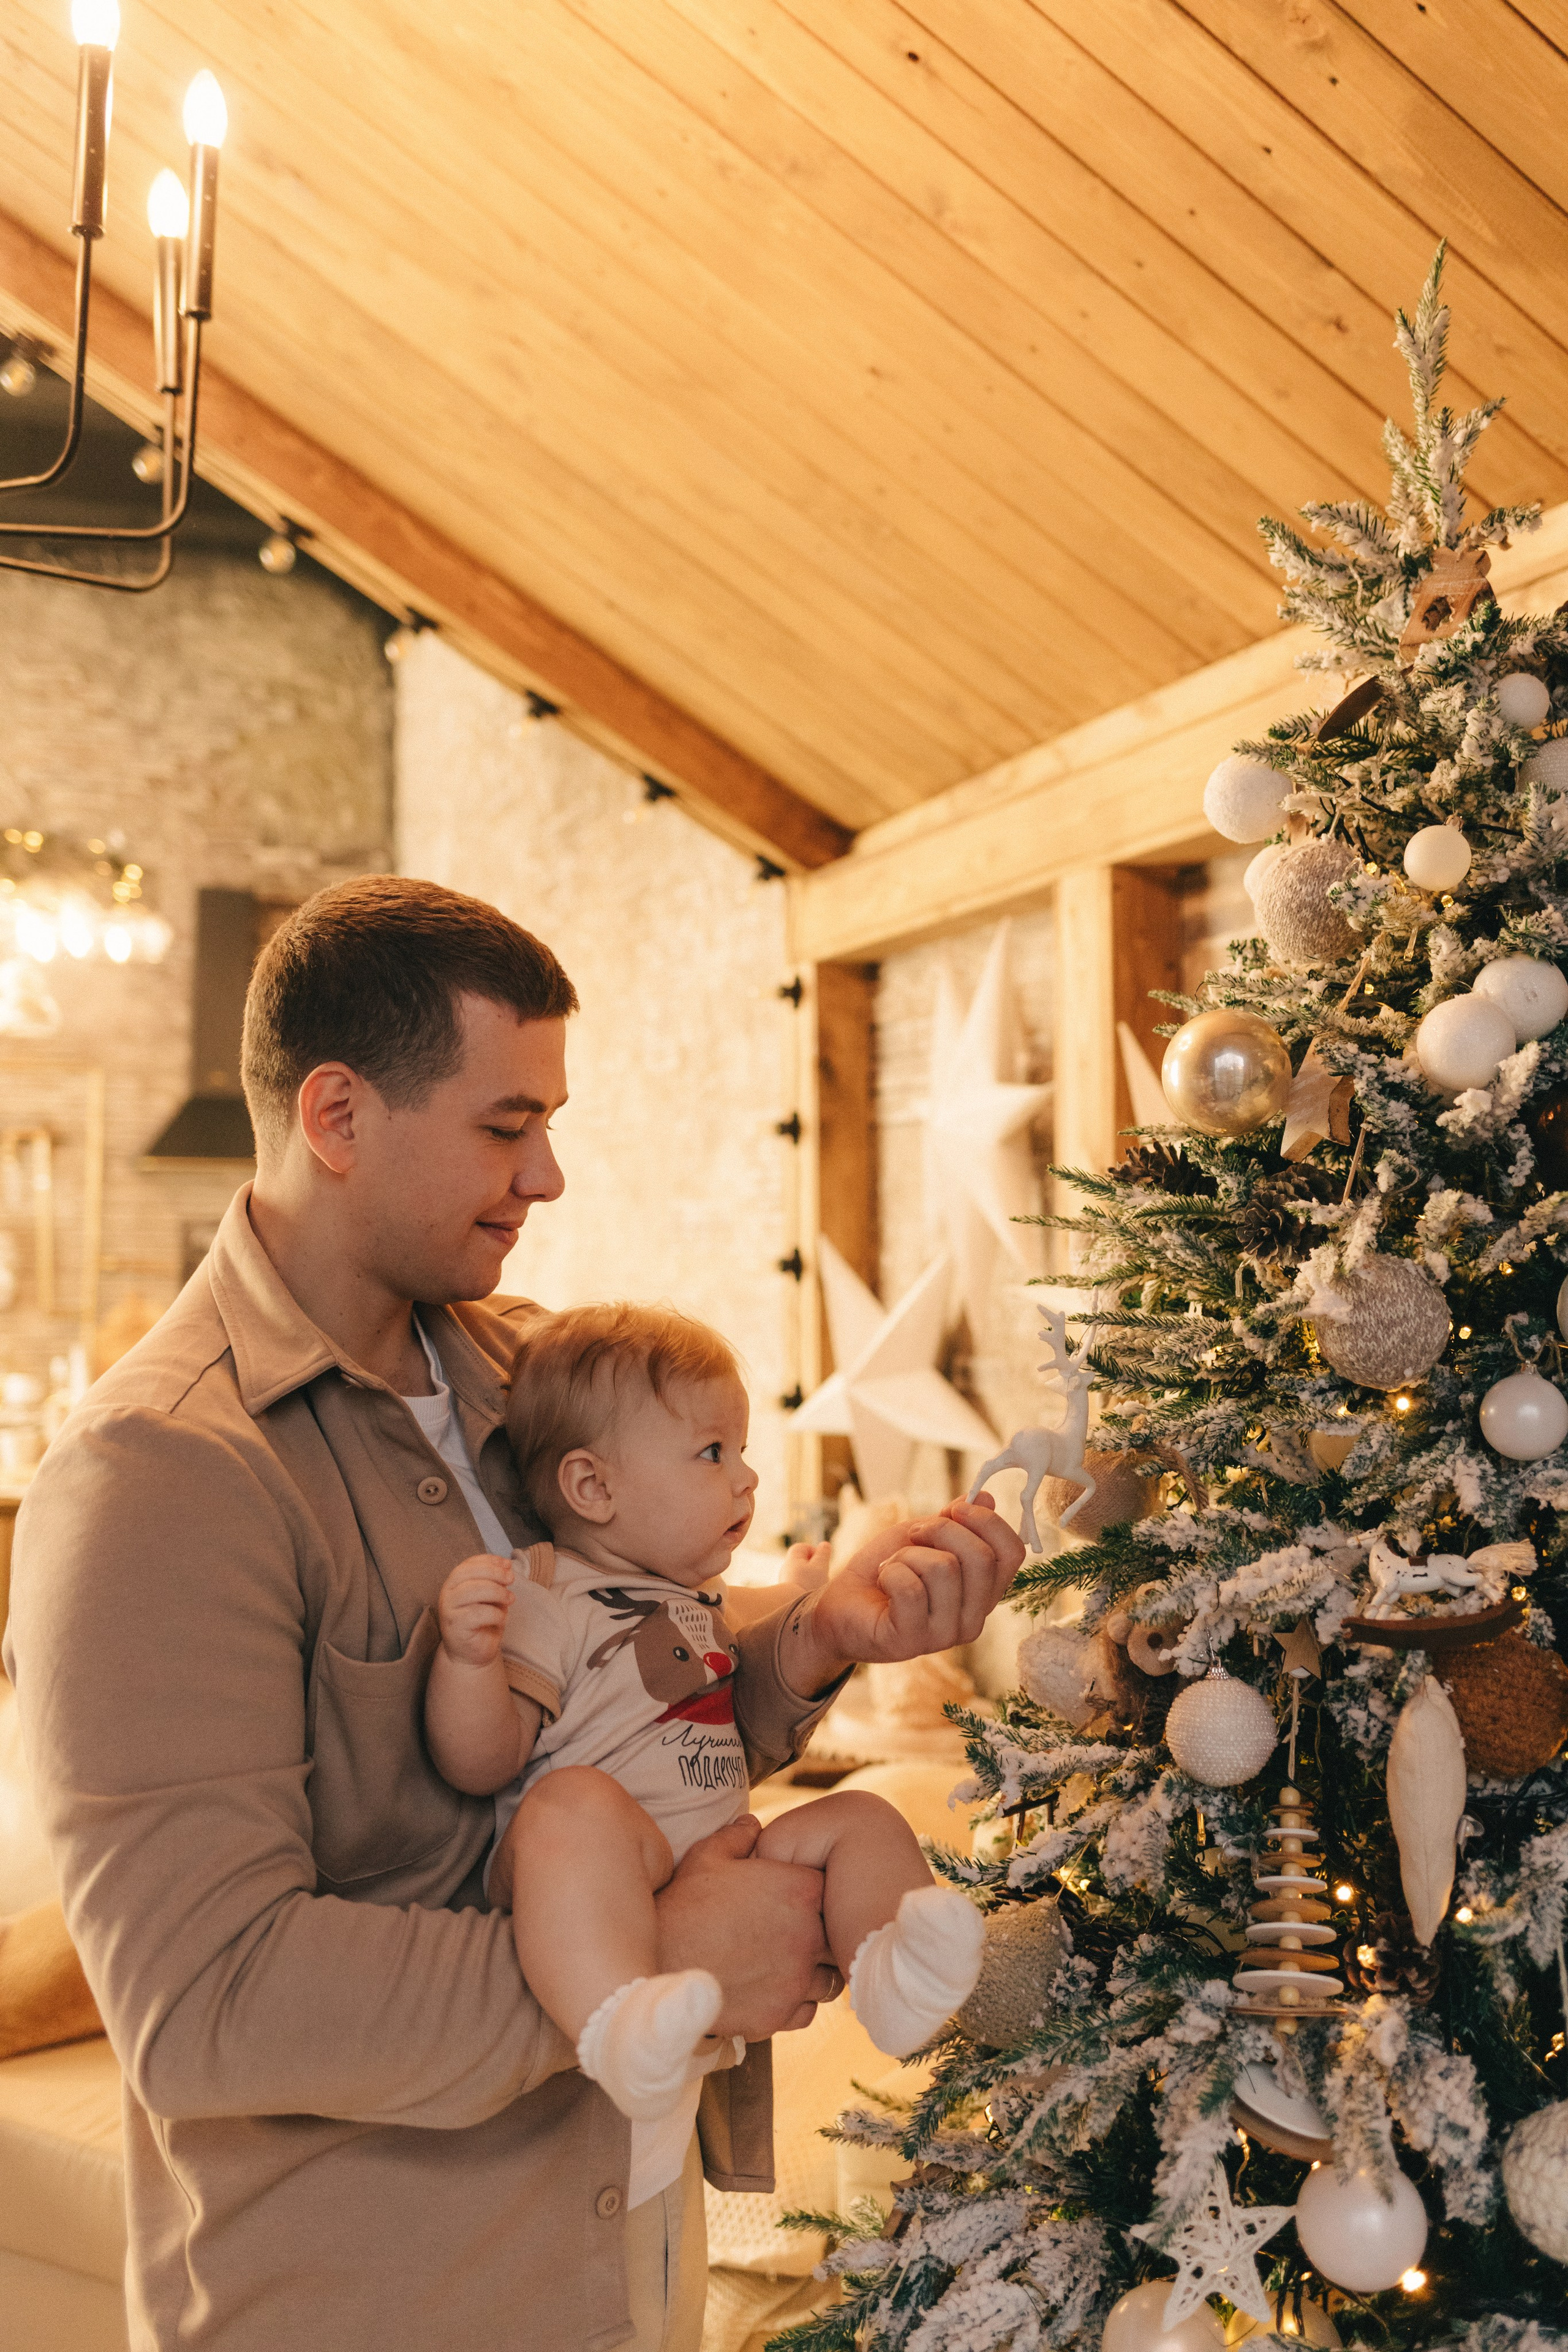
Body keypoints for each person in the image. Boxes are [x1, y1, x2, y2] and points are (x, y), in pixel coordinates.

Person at [2, 876, 1024, 2352]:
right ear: (337, 1117)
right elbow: (209, 2002)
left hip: (624, 2272)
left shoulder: (533, 1377)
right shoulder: (158, 1474)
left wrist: (812, 1633)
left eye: (549, 1123)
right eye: (505, 1125)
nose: (546, 1177)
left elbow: (618, 1700)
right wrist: (660, 1958)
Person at [425, 1300, 986, 2141]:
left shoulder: (691, 1597)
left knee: (863, 1817)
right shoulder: (546, 1590)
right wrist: (467, 1663)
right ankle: (616, 2016)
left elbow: (759, 1619)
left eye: (744, 1452)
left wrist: (809, 1597)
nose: (747, 1479)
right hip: (612, 1864)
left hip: (723, 1853)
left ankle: (893, 1979)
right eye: (713, 1452)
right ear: (594, 1486)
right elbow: (484, 1761)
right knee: (567, 1806)